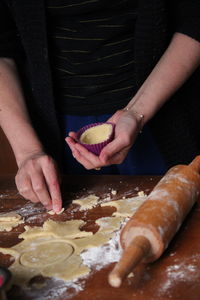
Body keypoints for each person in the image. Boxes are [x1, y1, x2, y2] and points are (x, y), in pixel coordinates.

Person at [0, 0, 200, 212]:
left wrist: (135, 112)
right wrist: (28, 151)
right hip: (58, 127)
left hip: (163, 110)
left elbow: (195, 21)